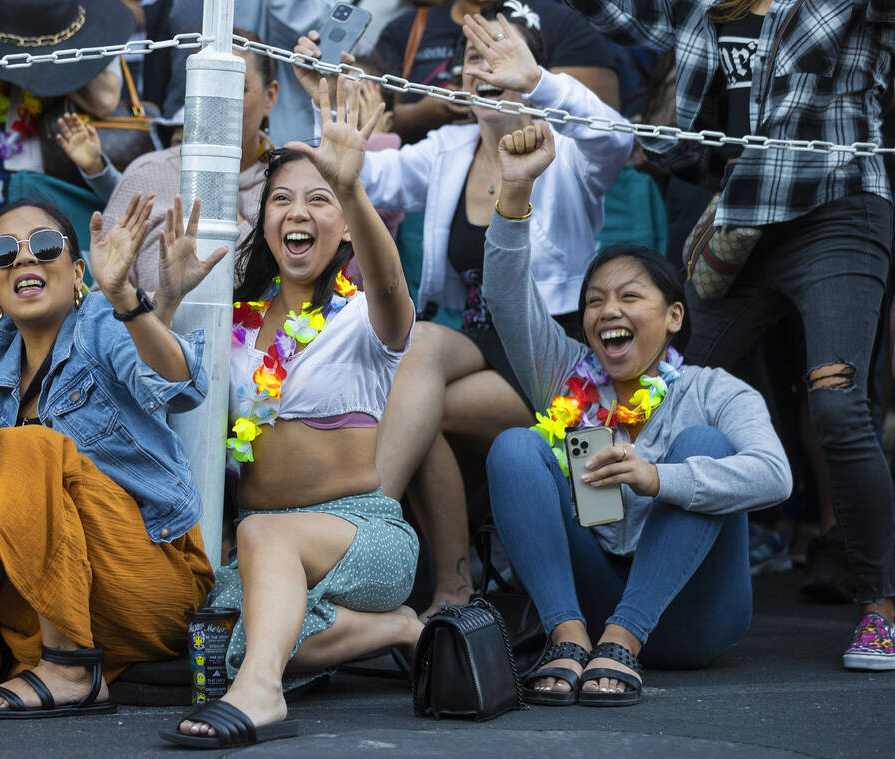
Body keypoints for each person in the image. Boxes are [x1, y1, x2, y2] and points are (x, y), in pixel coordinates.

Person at [567, 0, 895, 670]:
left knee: (836, 403)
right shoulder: (698, 6)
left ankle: (883, 604)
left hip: (837, 209)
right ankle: (597, 577)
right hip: (740, 222)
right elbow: (614, 13)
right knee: (632, 378)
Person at [299, 6, 632, 616]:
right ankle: (434, 575)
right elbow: (364, 176)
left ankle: (369, 540)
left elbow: (617, 137)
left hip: (552, 350)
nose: (486, 67)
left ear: (530, 70)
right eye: (476, 58)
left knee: (415, 406)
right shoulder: (450, 148)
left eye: (502, 55)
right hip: (477, 338)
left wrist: (540, 85)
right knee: (418, 351)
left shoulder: (569, 151)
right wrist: (328, 101)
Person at [483, 121, 791, 705]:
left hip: (695, 618)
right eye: (595, 300)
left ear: (674, 316)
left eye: (629, 297)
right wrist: (516, 191)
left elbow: (776, 476)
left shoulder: (713, 389)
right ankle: (566, 635)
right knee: (516, 446)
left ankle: (628, 636)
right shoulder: (564, 372)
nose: (607, 311)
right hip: (588, 616)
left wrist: (660, 479)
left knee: (705, 443)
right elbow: (504, 295)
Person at [0, 192, 223, 717]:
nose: (23, 259)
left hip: (141, 585)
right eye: (2, 252)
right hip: (29, 605)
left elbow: (181, 386)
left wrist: (126, 296)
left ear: (77, 269)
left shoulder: (105, 325)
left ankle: (71, 668)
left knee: (29, 445)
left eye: (44, 245)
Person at [160, 78, 419, 749]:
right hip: (259, 541)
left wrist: (355, 187)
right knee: (215, 635)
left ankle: (262, 693)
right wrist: (157, 301)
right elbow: (165, 378)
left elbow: (390, 284)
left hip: (364, 535)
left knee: (260, 576)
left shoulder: (364, 318)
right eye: (281, 199)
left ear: (343, 224)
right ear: (264, 218)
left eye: (319, 198)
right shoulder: (236, 322)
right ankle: (396, 629)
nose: (296, 212)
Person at [0, 0, 133, 360]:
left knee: (46, 310)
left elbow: (104, 98)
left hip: (49, 187)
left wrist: (47, 38)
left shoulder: (89, 16)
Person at [89, 29, 279, 295]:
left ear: (270, 97)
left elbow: (291, 290)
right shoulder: (148, 174)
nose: (218, 101)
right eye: (207, 86)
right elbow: (101, 299)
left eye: (236, 87)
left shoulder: (287, 182)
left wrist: (234, 220)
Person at [375, 0, 621, 143]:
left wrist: (511, 98)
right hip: (426, 181)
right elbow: (371, 119)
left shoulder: (564, 24)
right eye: (474, 56)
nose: (484, 68)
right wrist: (422, 114)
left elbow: (599, 125)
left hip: (544, 179)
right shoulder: (406, 28)